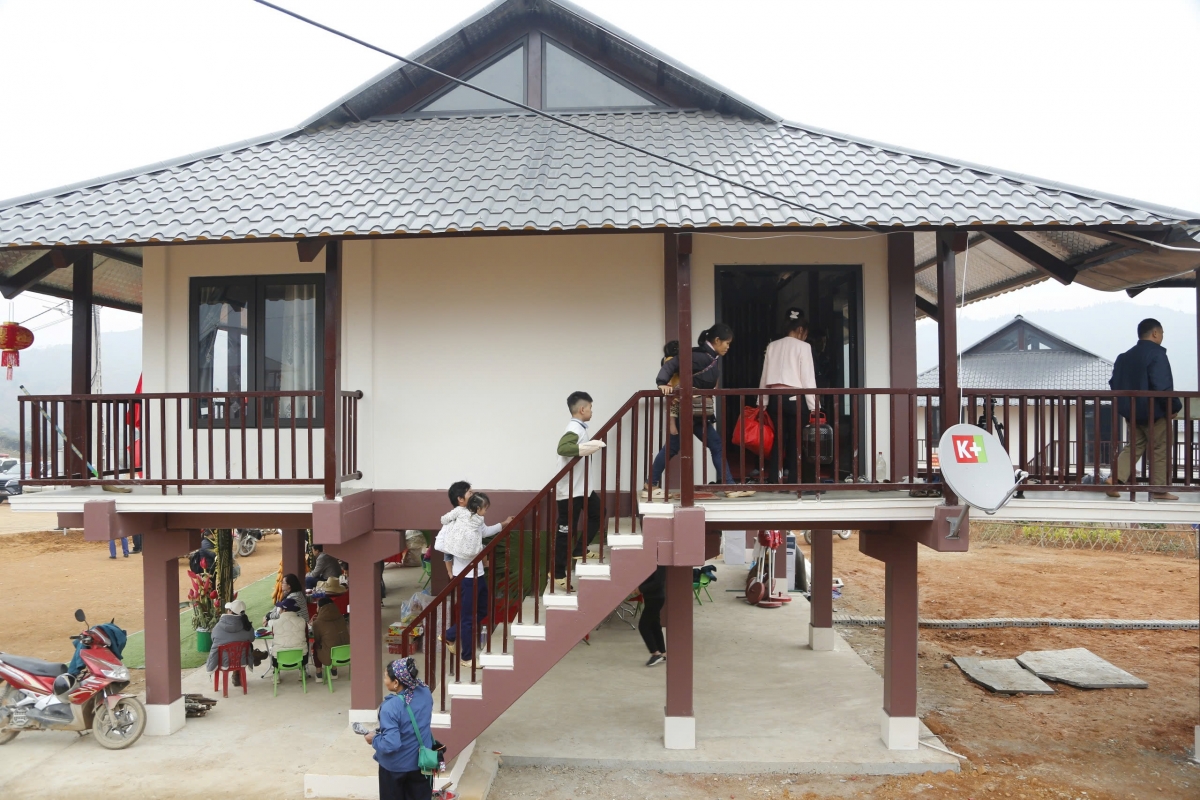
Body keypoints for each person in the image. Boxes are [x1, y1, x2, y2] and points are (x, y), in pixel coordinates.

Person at [646, 324, 755, 499]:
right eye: (726, 343)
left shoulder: (707, 356)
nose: (728, 347)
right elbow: (673, 363)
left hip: (694, 412)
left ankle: (651, 484)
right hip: (690, 412)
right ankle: (729, 486)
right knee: (714, 446)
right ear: (717, 340)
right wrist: (661, 383)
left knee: (679, 447)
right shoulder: (700, 356)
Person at [1106, 318, 1181, 501]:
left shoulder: (1124, 357)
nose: (1162, 336)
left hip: (1132, 413)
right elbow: (1162, 386)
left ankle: (1114, 479)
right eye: (1162, 333)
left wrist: (1126, 406)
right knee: (1160, 447)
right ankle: (1159, 490)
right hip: (1155, 412)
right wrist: (1173, 407)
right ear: (1155, 333)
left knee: (1134, 445)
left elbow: (1114, 384)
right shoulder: (1157, 354)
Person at [437, 492, 512, 665]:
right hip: (466, 577)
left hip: (478, 573)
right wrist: (458, 553)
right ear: (477, 508)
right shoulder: (457, 520)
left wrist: (504, 524)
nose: (486, 511)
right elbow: (441, 544)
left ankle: (450, 635)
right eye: (485, 508)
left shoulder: (477, 520)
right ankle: (467, 657)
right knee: (468, 618)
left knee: (483, 610)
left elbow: (484, 531)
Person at [758, 308, 818, 485]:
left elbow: (764, 376)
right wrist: (814, 406)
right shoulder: (804, 347)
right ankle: (794, 480)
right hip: (795, 398)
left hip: (775, 398)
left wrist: (762, 402)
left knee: (778, 439)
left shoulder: (772, 346)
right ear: (800, 329)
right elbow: (808, 378)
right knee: (797, 440)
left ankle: (774, 480)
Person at [554, 391, 605, 590]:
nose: (592, 411)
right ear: (582, 409)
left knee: (598, 513)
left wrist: (588, 446)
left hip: (582, 489)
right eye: (590, 407)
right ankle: (558, 573)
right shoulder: (574, 428)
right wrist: (588, 448)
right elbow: (563, 448)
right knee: (566, 531)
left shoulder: (580, 428)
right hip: (569, 491)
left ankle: (579, 549)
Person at [365, 658, 435, 800]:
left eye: (386, 677)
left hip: (395, 769)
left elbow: (391, 744)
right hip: (422, 764)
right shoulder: (425, 692)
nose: (384, 680)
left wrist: (374, 739)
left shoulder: (390, 707)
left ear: (396, 683)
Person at [205, 598, 255, 686]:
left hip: (223, 661)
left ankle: (236, 675)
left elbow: (213, 639)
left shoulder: (219, 626)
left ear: (230, 611)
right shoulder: (247, 626)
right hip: (241, 660)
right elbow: (252, 638)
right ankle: (237, 674)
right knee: (249, 646)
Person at [265, 597, 309, 672]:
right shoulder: (302, 621)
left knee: (274, 646)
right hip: (301, 658)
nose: (279, 611)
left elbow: (274, 636)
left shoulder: (275, 623)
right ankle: (302, 672)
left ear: (284, 610)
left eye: (280, 609)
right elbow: (306, 637)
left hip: (279, 659)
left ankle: (276, 674)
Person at [311, 596, 350, 677]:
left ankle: (319, 672)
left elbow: (317, 640)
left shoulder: (317, 623)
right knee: (335, 640)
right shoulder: (341, 617)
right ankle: (334, 670)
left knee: (316, 646)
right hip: (346, 653)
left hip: (329, 655)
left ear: (320, 608)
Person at [637, 566, 666, 667]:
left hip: (656, 598)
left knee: (643, 626)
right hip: (652, 598)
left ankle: (655, 653)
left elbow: (658, 582)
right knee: (655, 625)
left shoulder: (660, 564)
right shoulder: (651, 563)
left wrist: (640, 589)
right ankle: (663, 653)